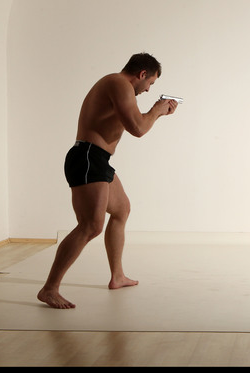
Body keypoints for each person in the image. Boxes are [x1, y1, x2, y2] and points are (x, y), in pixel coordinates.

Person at [37, 53, 178, 309]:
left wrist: (157, 113)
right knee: (90, 225)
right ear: (142, 74)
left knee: (122, 209)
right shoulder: (118, 83)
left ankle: (117, 276)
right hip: (88, 156)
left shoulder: (120, 87)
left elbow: (137, 123)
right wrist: (157, 111)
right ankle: (49, 289)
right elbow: (138, 128)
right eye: (150, 84)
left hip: (98, 159)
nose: (148, 90)